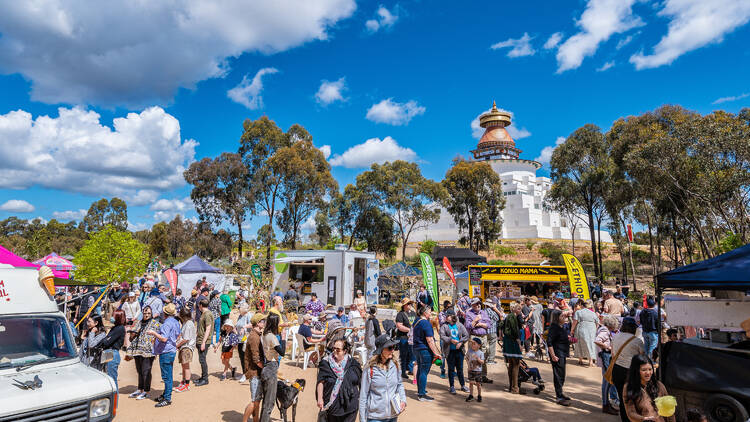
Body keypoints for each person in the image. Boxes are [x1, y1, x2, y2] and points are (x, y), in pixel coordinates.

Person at [359, 334, 407, 422]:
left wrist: (403, 400)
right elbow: (363, 395)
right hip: (375, 417)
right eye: (389, 348)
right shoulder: (370, 368)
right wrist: (362, 419)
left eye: (394, 347)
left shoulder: (395, 365)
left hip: (393, 415)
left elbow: (399, 385)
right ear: (381, 350)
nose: (393, 350)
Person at [316, 338, 362, 422]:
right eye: (333, 348)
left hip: (350, 406)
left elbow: (360, 382)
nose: (334, 351)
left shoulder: (353, 364)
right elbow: (320, 381)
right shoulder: (326, 363)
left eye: (338, 349)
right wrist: (320, 398)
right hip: (332, 407)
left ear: (345, 351)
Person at [611, 317, 646, 422]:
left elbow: (613, 354)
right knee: (633, 399)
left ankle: (625, 419)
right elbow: (642, 358)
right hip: (630, 372)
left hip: (616, 370)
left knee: (623, 399)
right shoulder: (637, 341)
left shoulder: (615, 337)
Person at [623, 354, 675, 422]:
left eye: (650, 369)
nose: (648, 373)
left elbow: (670, 411)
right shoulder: (629, 388)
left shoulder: (659, 386)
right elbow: (630, 412)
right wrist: (644, 419)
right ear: (636, 371)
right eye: (644, 370)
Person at [148, 303, 180, 407]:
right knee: (168, 375)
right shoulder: (175, 321)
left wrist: (153, 333)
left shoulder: (167, 323)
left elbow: (164, 338)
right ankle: (165, 395)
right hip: (170, 350)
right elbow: (177, 335)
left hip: (166, 351)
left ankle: (167, 398)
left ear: (165, 313)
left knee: (167, 376)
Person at [127, 305, 160, 400]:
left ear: (152, 314)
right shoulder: (139, 323)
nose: (146, 315)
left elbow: (160, 336)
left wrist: (156, 347)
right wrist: (132, 334)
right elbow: (131, 337)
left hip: (149, 352)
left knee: (146, 371)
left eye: (148, 313)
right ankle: (140, 389)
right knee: (139, 370)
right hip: (138, 350)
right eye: (145, 313)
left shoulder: (155, 323)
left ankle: (146, 391)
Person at [412, 304, 442, 401]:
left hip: (416, 348)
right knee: (424, 371)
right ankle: (422, 394)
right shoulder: (426, 323)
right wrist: (436, 353)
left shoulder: (417, 320)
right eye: (429, 312)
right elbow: (430, 340)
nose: (431, 313)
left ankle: (421, 391)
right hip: (424, 349)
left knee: (420, 370)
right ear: (425, 313)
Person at [260, 313, 285, 422]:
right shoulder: (272, 337)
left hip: (267, 367)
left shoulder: (265, 334)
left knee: (266, 401)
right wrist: (283, 338)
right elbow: (282, 352)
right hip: (271, 368)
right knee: (269, 402)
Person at [242, 313, 267, 422]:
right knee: (254, 401)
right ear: (258, 323)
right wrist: (265, 368)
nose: (265, 323)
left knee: (257, 401)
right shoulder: (254, 337)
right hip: (254, 372)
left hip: (256, 371)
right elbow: (256, 359)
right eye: (263, 321)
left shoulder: (257, 334)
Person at [439, 309, 470, 395]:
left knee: (460, 369)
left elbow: (466, 335)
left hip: (459, 351)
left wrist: (460, 342)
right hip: (450, 351)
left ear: (453, 316)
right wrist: (451, 340)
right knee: (451, 369)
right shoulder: (444, 326)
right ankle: (452, 386)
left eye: (447, 316)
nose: (446, 317)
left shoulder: (459, 325)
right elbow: (442, 336)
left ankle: (463, 385)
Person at [595, 315, 621, 415]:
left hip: (605, 357)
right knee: (606, 383)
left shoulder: (603, 329)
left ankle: (607, 404)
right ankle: (605, 405)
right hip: (605, 357)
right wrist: (608, 347)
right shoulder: (605, 330)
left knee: (607, 382)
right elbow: (597, 340)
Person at [464, 298, 492, 383]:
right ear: (472, 305)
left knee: (484, 356)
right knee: (473, 357)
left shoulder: (483, 312)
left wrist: (480, 324)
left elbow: (489, 324)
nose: (479, 305)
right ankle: (473, 377)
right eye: (476, 304)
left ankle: (483, 376)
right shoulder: (469, 314)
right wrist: (475, 320)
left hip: (484, 337)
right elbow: (468, 326)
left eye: (479, 303)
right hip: (474, 337)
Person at [97, 310, 126, 391]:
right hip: (108, 353)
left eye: (114, 315)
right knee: (106, 377)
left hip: (112, 353)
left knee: (112, 379)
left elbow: (106, 342)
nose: (112, 317)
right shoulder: (115, 328)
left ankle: (114, 400)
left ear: (118, 317)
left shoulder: (119, 328)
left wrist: (104, 340)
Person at [547, 309, 572, 406]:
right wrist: (553, 355)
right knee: (558, 375)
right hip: (557, 354)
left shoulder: (561, 326)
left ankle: (560, 392)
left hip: (562, 353)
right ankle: (559, 397)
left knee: (562, 375)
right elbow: (549, 342)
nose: (564, 317)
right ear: (557, 318)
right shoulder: (554, 328)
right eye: (562, 316)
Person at [502, 302, 524, 394]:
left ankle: (512, 386)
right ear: (514, 309)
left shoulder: (509, 316)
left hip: (508, 340)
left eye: (520, 308)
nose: (520, 310)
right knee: (515, 364)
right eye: (518, 308)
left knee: (511, 364)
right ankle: (515, 388)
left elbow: (501, 325)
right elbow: (514, 330)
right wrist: (518, 340)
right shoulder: (512, 317)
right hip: (512, 341)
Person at [174, 307, 196, 392]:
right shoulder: (186, 323)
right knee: (184, 366)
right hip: (184, 347)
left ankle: (186, 385)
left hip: (187, 347)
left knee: (186, 367)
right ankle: (183, 382)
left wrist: (177, 345)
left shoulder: (188, 324)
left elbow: (186, 339)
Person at [572, 299, 599, 367]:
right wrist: (595, 329)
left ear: (581, 305)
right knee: (591, 344)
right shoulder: (593, 313)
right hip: (592, 328)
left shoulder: (578, 312)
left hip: (582, 327)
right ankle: (590, 361)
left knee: (580, 343)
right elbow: (597, 322)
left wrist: (572, 330)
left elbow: (575, 322)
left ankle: (580, 359)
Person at [394, 298, 416, 380]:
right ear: (404, 305)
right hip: (403, 338)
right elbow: (399, 326)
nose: (410, 305)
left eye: (411, 303)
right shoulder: (400, 314)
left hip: (412, 338)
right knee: (403, 355)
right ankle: (403, 372)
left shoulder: (414, 313)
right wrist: (410, 330)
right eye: (408, 303)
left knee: (412, 354)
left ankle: (411, 369)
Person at [194, 299, 214, 386]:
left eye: (199, 305)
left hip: (204, 341)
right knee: (201, 359)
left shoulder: (207, 314)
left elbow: (208, 329)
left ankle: (205, 379)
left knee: (202, 360)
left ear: (201, 305)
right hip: (201, 339)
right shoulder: (204, 313)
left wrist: (203, 342)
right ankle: (202, 377)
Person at [236, 304, 253, 383]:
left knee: (245, 357)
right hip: (239, 339)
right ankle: (244, 373)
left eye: (240, 308)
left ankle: (247, 374)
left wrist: (244, 327)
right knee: (241, 357)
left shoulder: (248, 315)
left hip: (245, 338)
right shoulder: (240, 315)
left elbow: (252, 324)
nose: (239, 309)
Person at [465, 337, 485, 402]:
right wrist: (468, 365)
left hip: (478, 371)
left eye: (474, 344)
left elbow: (482, 362)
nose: (472, 345)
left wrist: (478, 359)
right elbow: (466, 358)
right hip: (471, 370)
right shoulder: (469, 351)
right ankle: (471, 395)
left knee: (478, 384)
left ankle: (479, 395)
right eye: (471, 343)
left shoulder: (481, 353)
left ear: (479, 345)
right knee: (471, 383)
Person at [484, 300, 502, 365]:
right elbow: (497, 318)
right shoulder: (491, 311)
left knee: (486, 345)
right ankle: (491, 360)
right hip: (492, 330)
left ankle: (485, 358)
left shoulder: (483, 311)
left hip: (485, 330)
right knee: (492, 345)